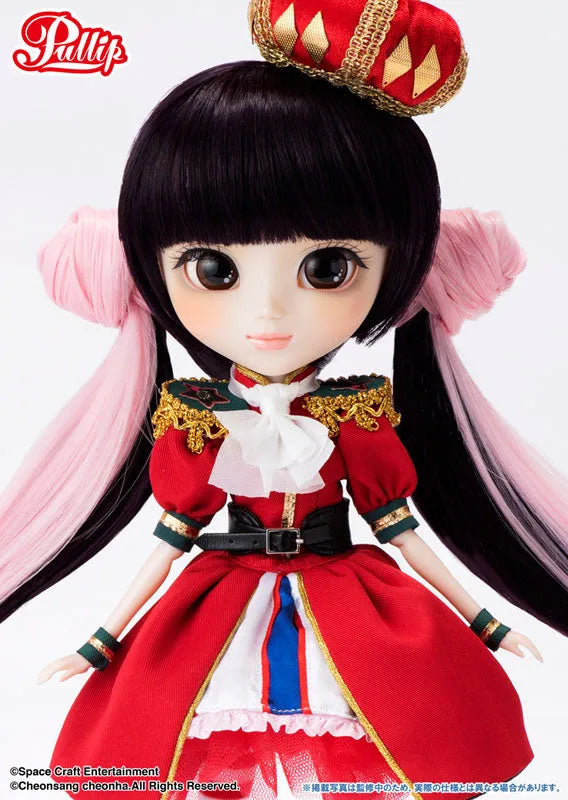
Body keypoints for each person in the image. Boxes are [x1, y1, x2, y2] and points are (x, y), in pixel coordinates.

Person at [1, 2, 566, 799]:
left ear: (401, 266)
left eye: (328, 269)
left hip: (349, 592)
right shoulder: (198, 421)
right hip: (224, 593)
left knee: (388, 720)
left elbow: (402, 530)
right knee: (202, 727)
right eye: (214, 270)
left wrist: (484, 618)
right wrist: (102, 639)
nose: (267, 315)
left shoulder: (354, 417)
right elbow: (168, 542)